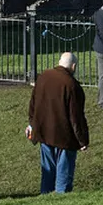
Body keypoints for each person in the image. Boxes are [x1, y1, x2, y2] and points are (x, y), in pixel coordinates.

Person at [26, 52, 89, 194]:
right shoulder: (72, 86)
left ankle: (45, 195)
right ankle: (62, 198)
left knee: (47, 170)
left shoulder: (43, 77)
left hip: (44, 132)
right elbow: (76, 118)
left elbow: (33, 105)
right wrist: (82, 140)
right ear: (73, 66)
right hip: (64, 137)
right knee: (64, 173)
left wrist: (32, 125)